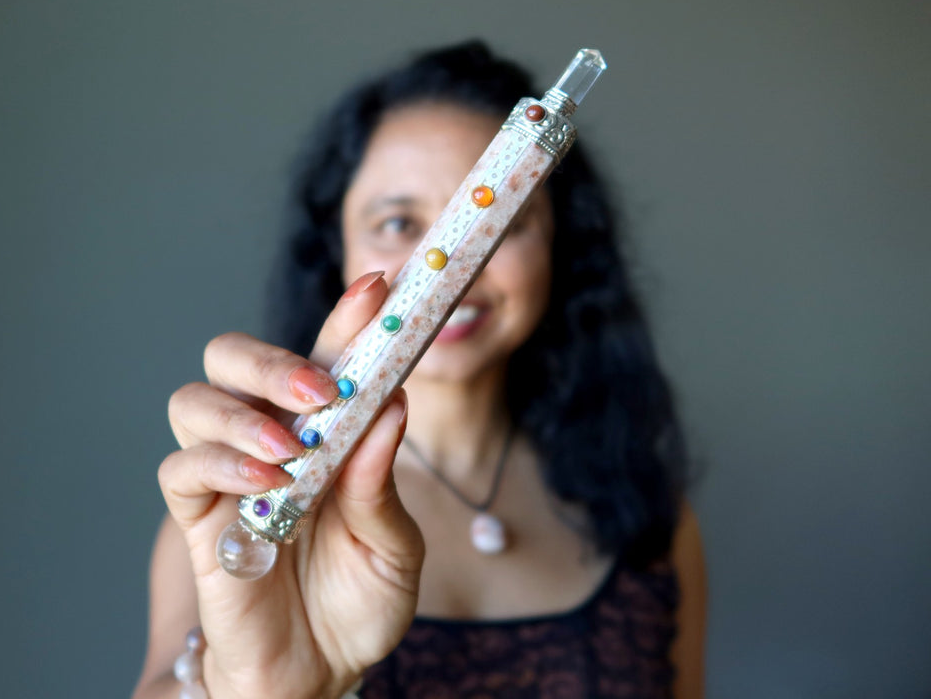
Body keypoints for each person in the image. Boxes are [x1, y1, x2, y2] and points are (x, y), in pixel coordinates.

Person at [133, 41, 706, 699]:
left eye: (504, 219)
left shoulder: (648, 512)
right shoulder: (237, 503)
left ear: (560, 246)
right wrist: (258, 688)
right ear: (336, 249)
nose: (447, 271)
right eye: (398, 222)